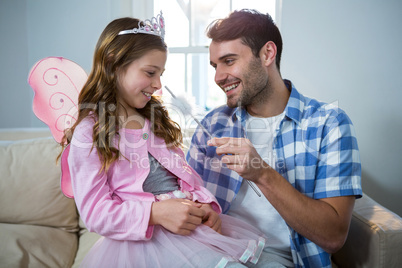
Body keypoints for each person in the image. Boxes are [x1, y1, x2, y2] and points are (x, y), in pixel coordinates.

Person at [60, 12, 269, 268]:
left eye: (160, 74)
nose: (158, 85)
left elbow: (185, 178)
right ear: (114, 64)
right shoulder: (90, 131)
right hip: (142, 247)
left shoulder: (155, 122)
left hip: (189, 234)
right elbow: (95, 214)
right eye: (150, 72)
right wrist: (155, 213)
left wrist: (204, 207)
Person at [186, 9, 362, 268]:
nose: (218, 77)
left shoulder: (329, 124)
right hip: (213, 253)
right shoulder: (212, 124)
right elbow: (186, 199)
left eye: (229, 61)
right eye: (215, 66)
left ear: (268, 54)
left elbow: (333, 236)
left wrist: (261, 173)